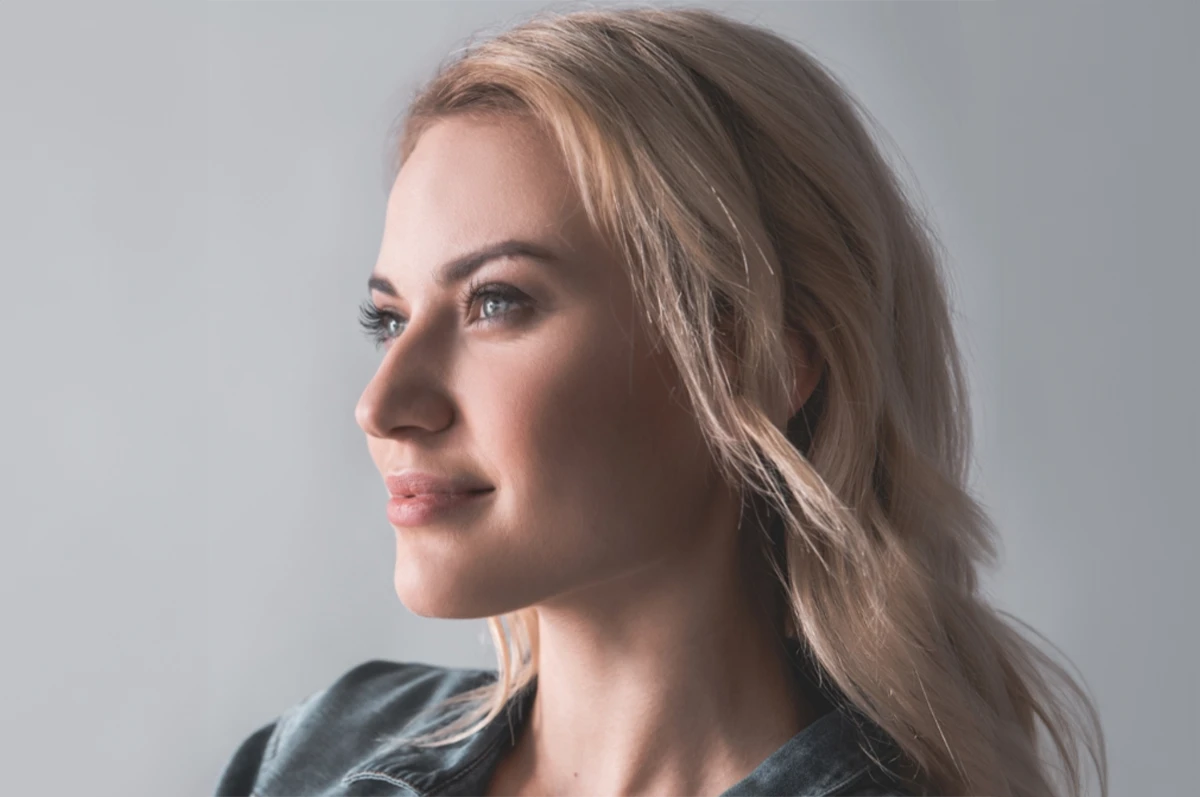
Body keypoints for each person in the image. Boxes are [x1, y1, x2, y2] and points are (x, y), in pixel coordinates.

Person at [215, 7, 1108, 797]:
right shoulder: (314, 759)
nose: (383, 403)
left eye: (496, 302)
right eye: (389, 317)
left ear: (755, 365)